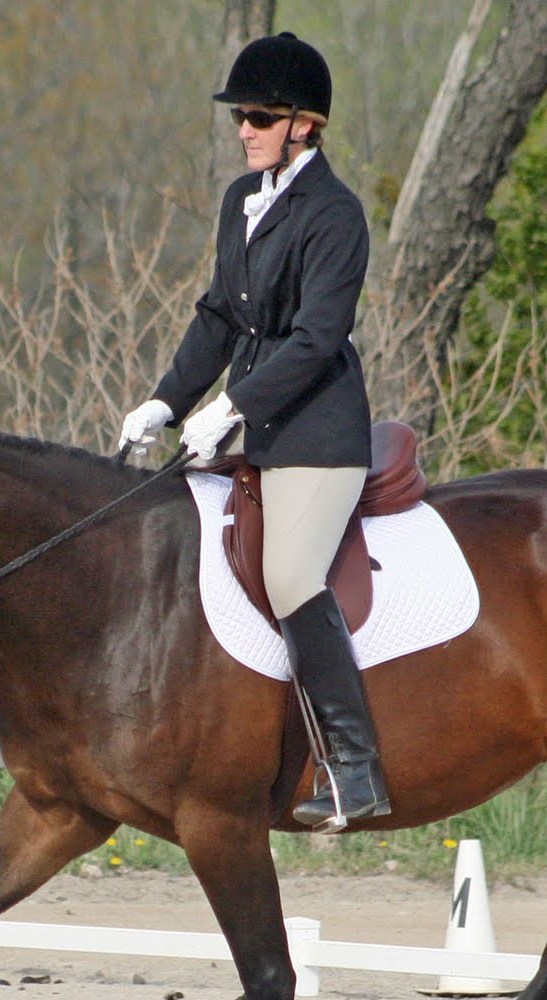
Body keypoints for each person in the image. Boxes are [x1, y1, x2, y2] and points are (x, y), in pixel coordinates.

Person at [119, 30, 389, 831]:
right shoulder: (242, 200)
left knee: (290, 575)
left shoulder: (336, 216)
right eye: (242, 115)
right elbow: (216, 317)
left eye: (261, 117)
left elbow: (315, 338)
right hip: (253, 429)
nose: (246, 129)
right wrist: (166, 402)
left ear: (305, 124)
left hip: (317, 434)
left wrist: (232, 409)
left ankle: (354, 767)